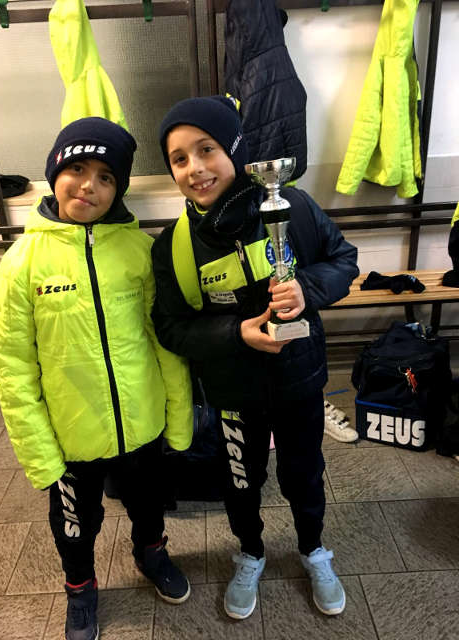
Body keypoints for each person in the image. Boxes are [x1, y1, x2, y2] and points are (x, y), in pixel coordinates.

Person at [151, 96, 359, 620]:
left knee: (303, 474)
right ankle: (250, 553)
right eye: (179, 159)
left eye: (207, 150)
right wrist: (234, 334)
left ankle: (313, 550)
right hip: (233, 392)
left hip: (299, 381)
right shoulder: (173, 246)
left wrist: (307, 288)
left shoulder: (292, 206)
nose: (195, 168)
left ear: (235, 150)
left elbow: (343, 260)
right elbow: (171, 327)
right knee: (240, 480)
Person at [0, 117, 193, 640]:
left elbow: (164, 344)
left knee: (149, 504)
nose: (89, 186)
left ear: (119, 189)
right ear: (54, 173)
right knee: (75, 523)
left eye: (106, 177)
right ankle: (80, 588)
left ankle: (151, 553)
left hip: (142, 422)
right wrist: (39, 453)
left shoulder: (138, 252)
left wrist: (178, 420)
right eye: (77, 169)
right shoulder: (22, 263)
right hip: (71, 434)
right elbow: (13, 368)